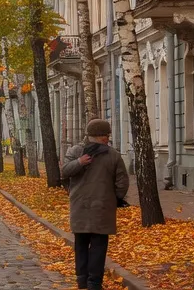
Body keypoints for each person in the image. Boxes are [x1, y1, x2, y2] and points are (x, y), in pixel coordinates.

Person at [61, 119, 130, 290]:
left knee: (81, 245)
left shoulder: (77, 151)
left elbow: (64, 173)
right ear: (101, 136)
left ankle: (83, 280)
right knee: (97, 246)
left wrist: (73, 188)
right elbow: (122, 183)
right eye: (106, 135)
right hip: (100, 208)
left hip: (82, 207)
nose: (108, 139)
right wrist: (115, 199)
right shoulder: (111, 155)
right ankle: (93, 282)